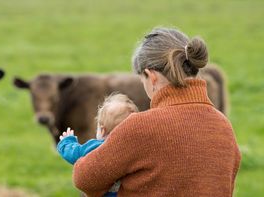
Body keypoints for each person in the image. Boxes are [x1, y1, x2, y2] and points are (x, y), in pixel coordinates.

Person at [72, 27, 241, 196]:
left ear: (151, 76)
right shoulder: (223, 126)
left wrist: (99, 145)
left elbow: (85, 179)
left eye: (142, 80)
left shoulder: (140, 126)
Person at [57, 93, 139, 197]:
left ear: (102, 130)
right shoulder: (135, 149)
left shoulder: (96, 147)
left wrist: (67, 142)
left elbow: (75, 153)